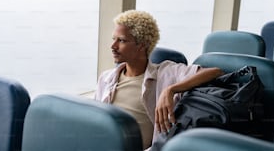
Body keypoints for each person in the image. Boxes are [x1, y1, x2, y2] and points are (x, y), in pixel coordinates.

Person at [94, 10, 224, 150]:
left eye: (122, 40)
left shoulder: (165, 73)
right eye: (114, 39)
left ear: (141, 45)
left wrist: (171, 90)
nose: (113, 46)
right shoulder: (106, 78)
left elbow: (215, 72)